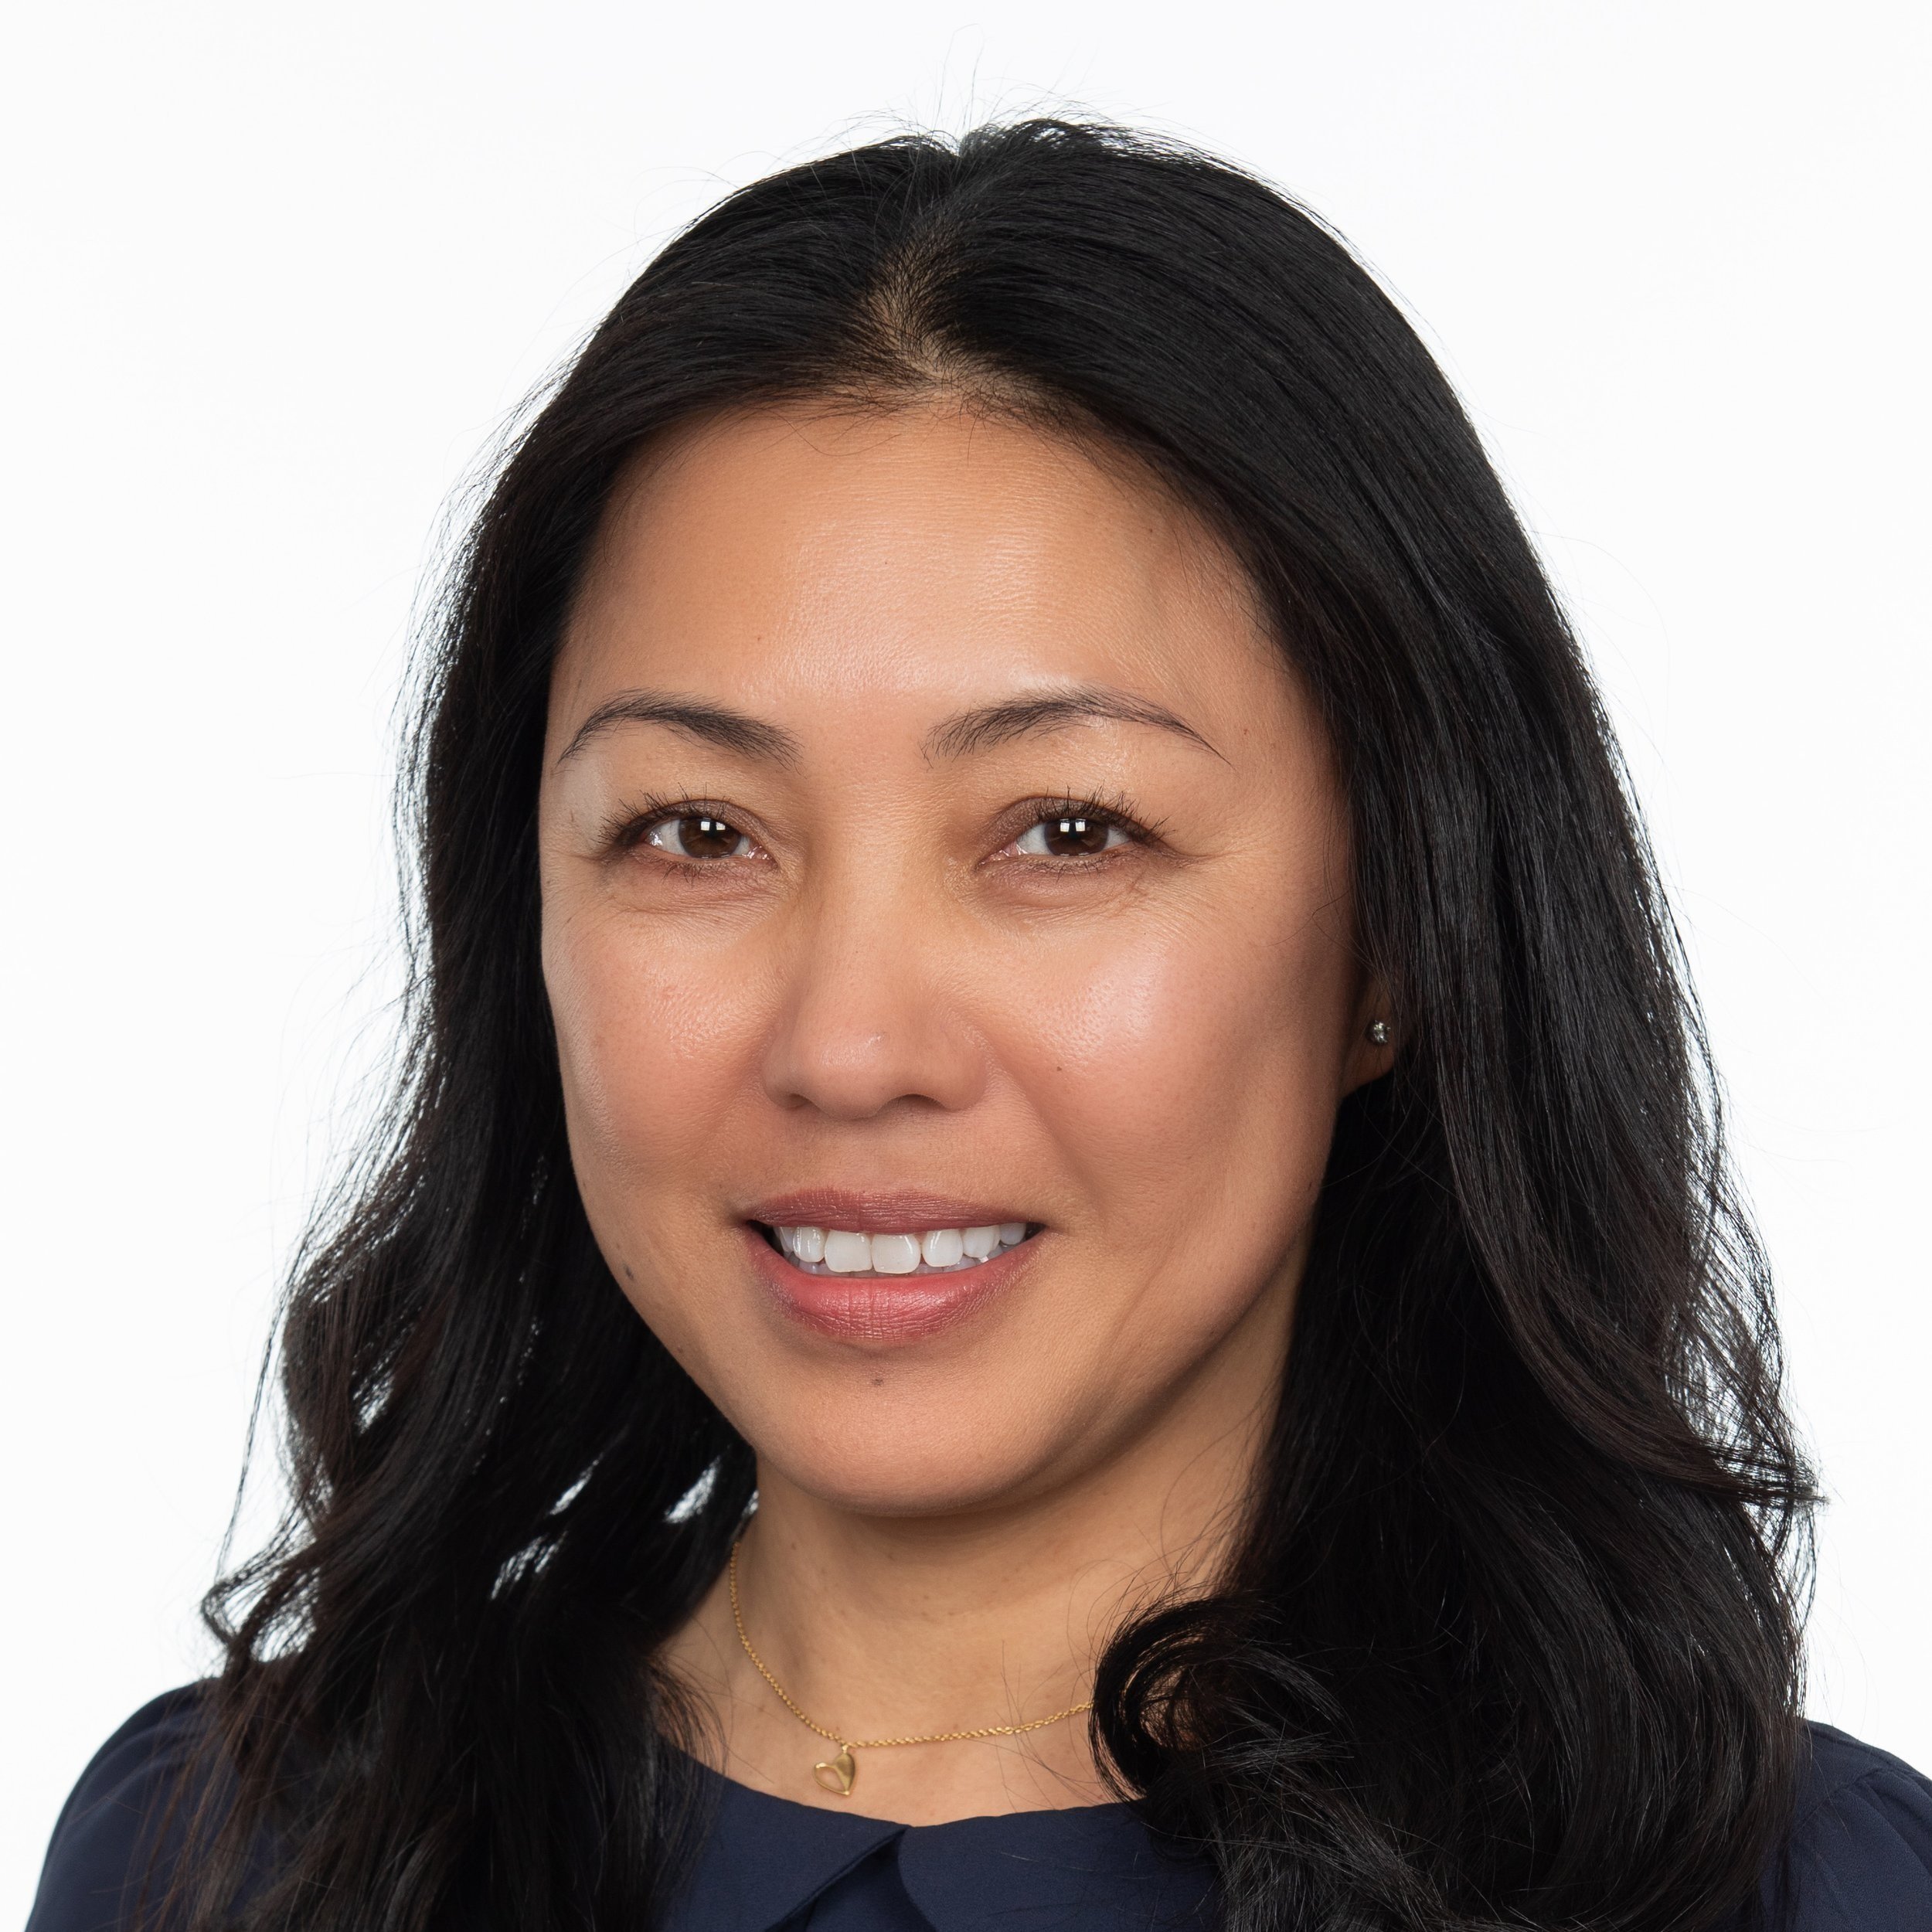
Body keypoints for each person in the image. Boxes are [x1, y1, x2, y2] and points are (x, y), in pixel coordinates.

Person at [29, 118, 1932, 1932]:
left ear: (1396, 935)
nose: (851, 1047)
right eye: (698, 832)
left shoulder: (1801, 1893)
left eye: (1066, 832)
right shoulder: (227, 1851)